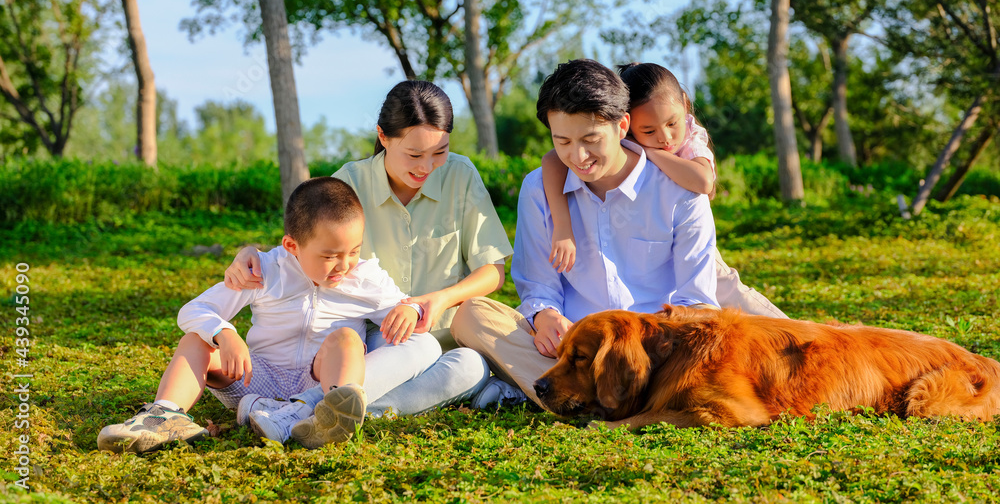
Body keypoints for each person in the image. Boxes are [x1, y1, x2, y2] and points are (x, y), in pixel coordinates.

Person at [451, 59, 782, 404]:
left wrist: (636, 346)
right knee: (471, 315)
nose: (577, 156)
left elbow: (696, 302)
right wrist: (544, 314)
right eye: (561, 141)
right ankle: (602, 396)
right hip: (574, 353)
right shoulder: (539, 189)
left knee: (726, 337)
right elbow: (538, 286)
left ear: (623, 125)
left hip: (656, 353)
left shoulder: (678, 189)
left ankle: (561, 395)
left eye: (591, 139)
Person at [224, 81, 524, 433]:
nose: (427, 166)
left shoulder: (460, 175)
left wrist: (441, 299)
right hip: (376, 343)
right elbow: (305, 251)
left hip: (447, 340)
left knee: (471, 367)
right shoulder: (350, 182)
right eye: (414, 155)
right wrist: (249, 254)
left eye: (439, 152)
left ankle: (305, 410)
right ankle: (314, 409)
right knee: (414, 351)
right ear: (383, 136)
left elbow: (492, 272)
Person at [97, 177, 441, 454]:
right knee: (196, 339)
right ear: (292, 246)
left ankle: (328, 416)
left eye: (353, 250)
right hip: (254, 376)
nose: (344, 264)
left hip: (317, 381)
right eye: (329, 255)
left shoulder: (365, 277)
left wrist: (408, 308)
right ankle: (164, 415)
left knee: (349, 339)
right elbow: (195, 309)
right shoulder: (263, 270)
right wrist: (225, 333)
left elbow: (404, 304)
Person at [541, 62, 784, 319]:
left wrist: (647, 151)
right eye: (648, 130)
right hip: (661, 243)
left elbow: (703, 182)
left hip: (695, 240)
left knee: (735, 298)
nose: (665, 138)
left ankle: (798, 331)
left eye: (671, 123)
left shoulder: (690, 137)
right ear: (627, 124)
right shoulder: (613, 138)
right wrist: (562, 225)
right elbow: (551, 161)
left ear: (685, 105)